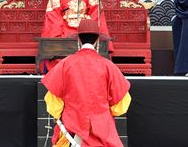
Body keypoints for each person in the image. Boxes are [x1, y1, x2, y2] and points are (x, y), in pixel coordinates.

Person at [42, 18, 131, 147]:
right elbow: (121, 105)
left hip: (71, 133)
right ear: (97, 41)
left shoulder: (65, 64)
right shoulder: (108, 66)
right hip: (103, 133)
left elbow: (52, 104)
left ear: (78, 39)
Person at [40, 0, 112, 71]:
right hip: (64, 30)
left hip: (85, 31)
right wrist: (58, 37)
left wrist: (89, 30)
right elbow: (53, 16)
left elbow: (96, 15)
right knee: (59, 55)